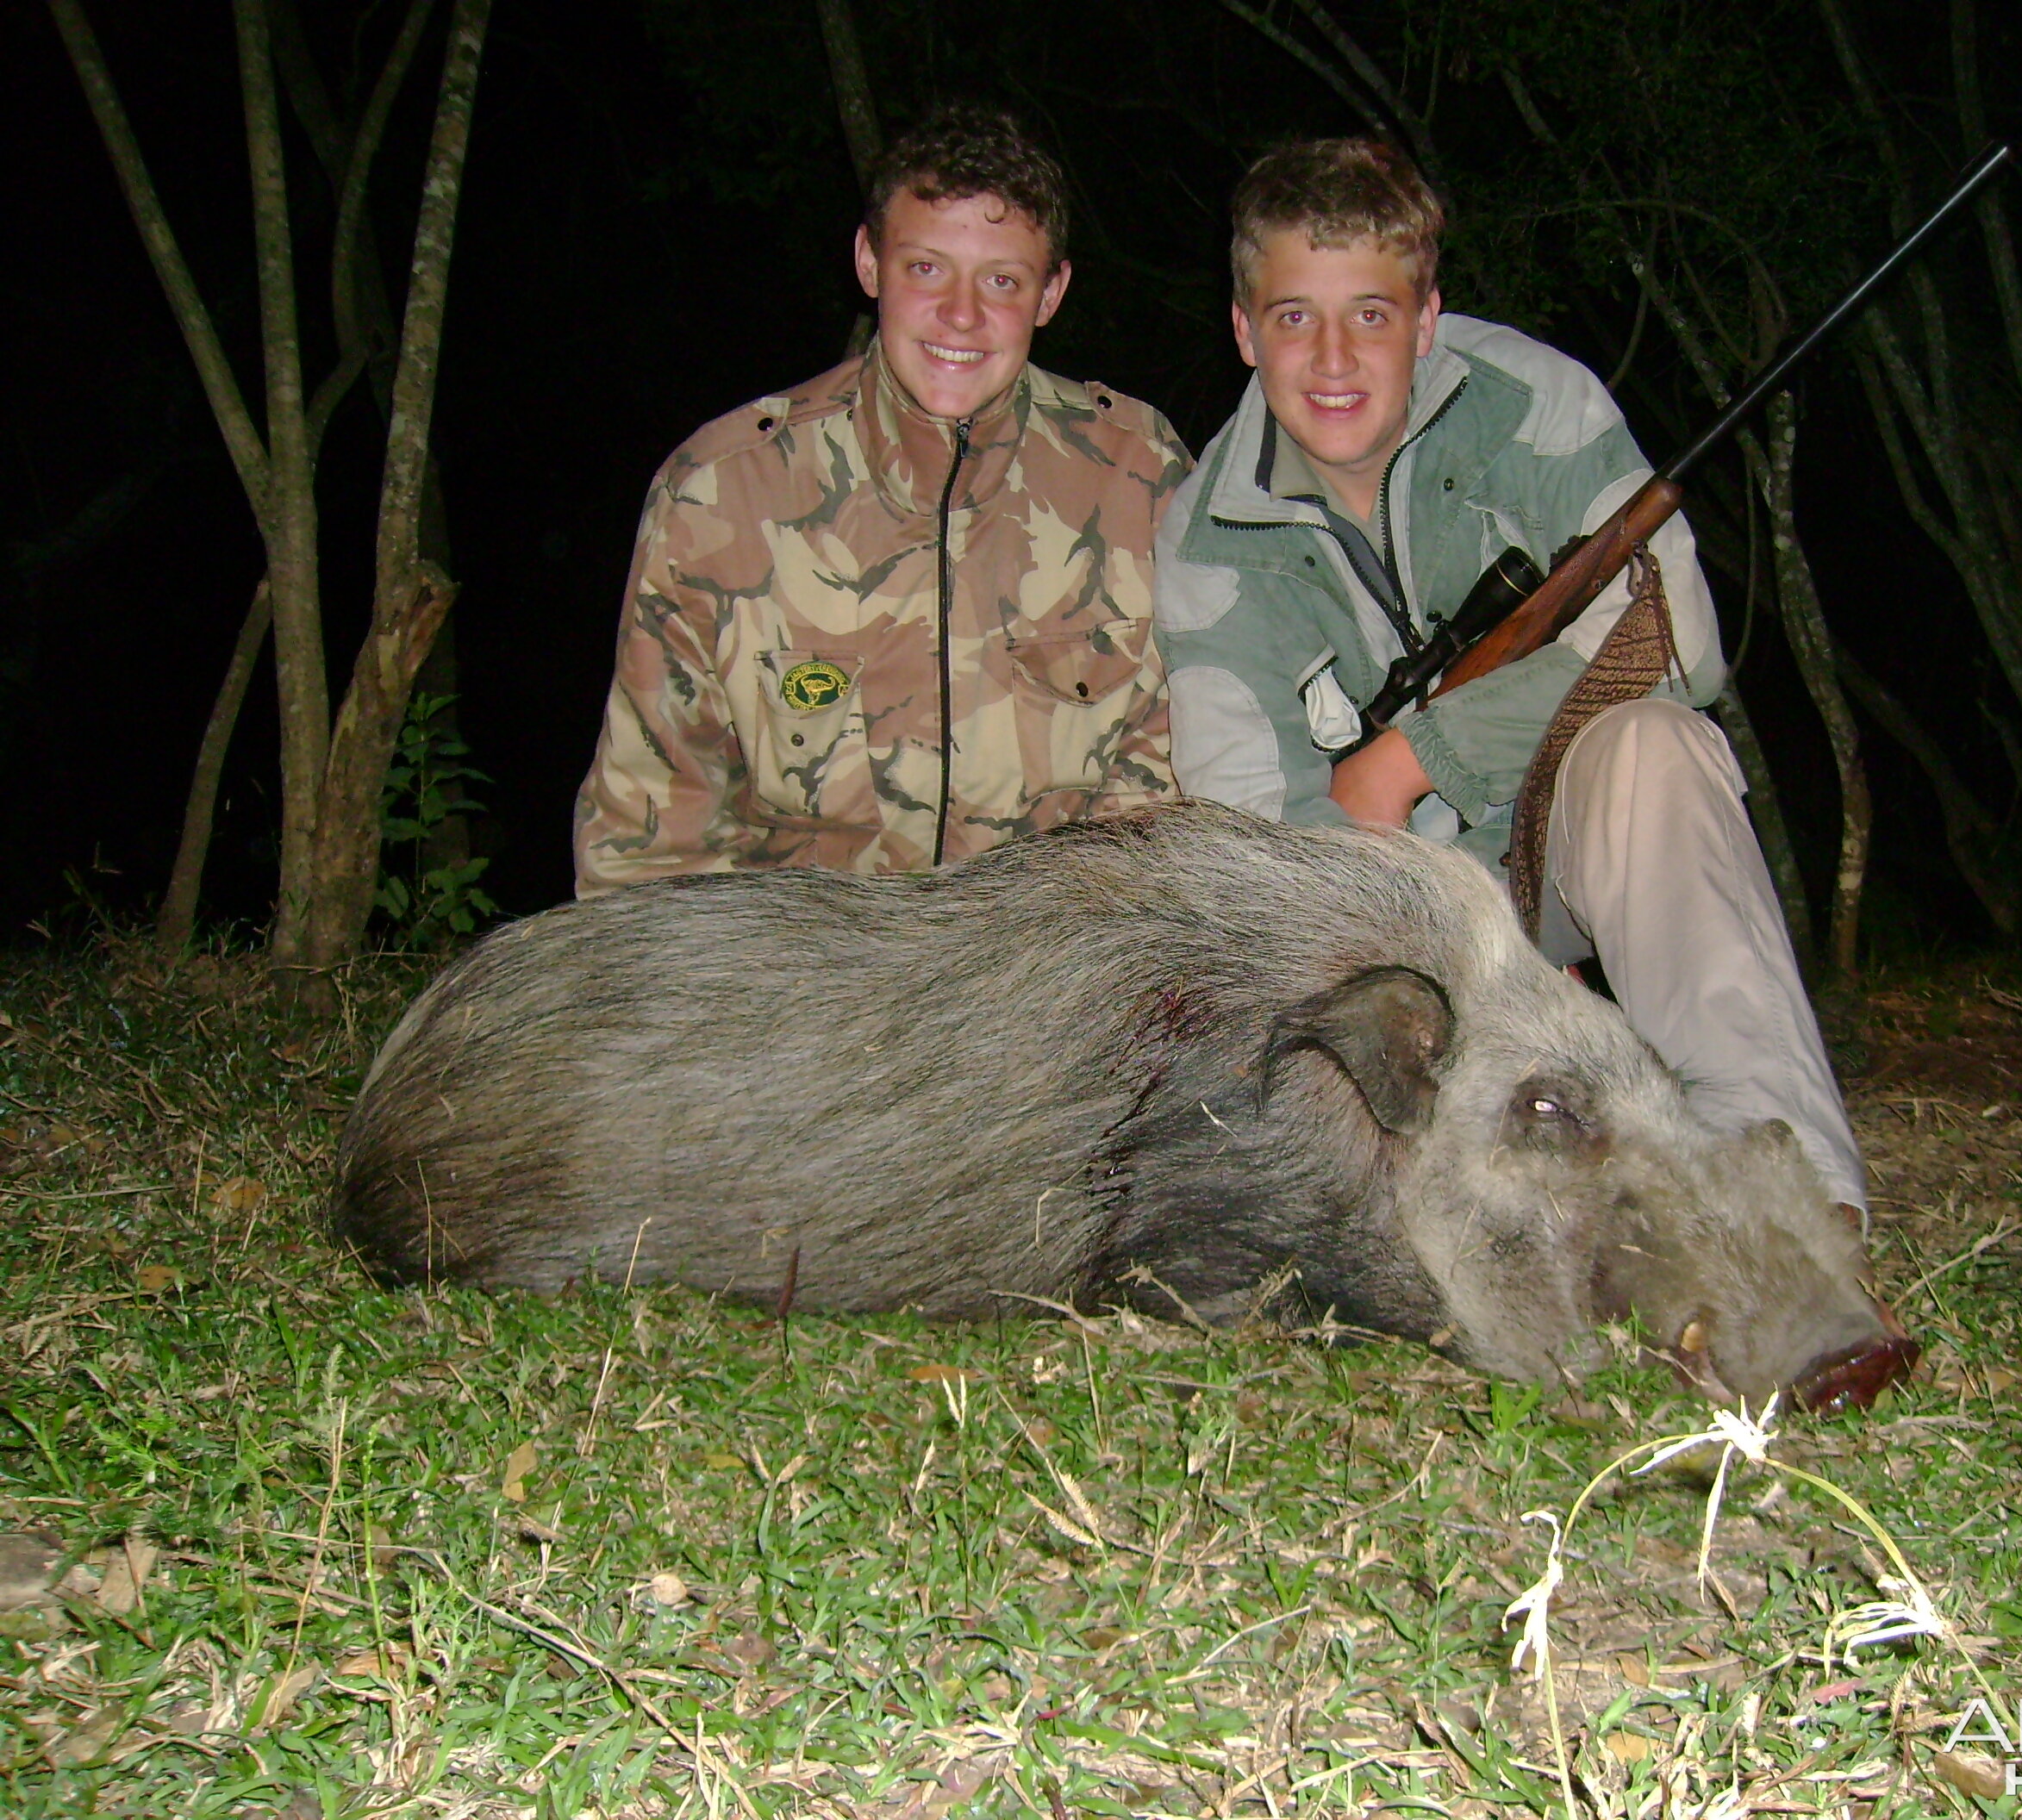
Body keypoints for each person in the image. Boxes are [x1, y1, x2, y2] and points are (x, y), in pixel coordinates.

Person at [1152, 138, 1868, 1212]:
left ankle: (1791, 1198)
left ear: (1426, 318)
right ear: (1246, 332)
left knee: (1658, 748)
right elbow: (1251, 835)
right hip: (1380, 927)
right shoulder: (1204, 535)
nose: (1335, 359)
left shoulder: (1533, 404)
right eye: (1296, 317)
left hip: (1552, 856)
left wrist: (1418, 752)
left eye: (1373, 314)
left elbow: (1677, 642)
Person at [574, 107, 1188, 892]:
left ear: (1051, 293)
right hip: (799, 977)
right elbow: (652, 834)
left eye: (1002, 280)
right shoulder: (721, 495)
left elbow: (1168, 797)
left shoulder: (1138, 478)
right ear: (870, 264)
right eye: (925, 268)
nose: (961, 315)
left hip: (1045, 973)